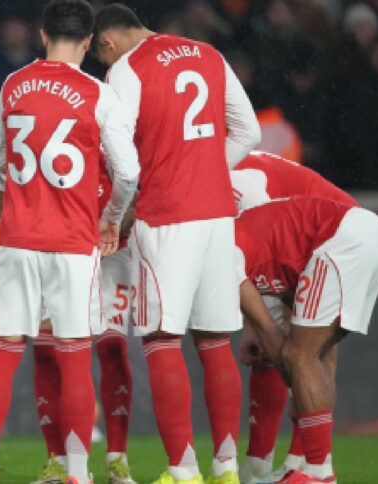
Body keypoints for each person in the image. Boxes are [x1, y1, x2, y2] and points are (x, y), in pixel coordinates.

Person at [92, 4, 261, 483]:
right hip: (217, 218)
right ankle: (226, 468)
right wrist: (206, 171)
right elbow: (248, 130)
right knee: (214, 342)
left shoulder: (126, 70)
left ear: (106, 42)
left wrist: (115, 217)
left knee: (162, 340)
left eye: (101, 57)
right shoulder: (209, 53)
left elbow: (123, 165)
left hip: (167, 216)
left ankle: (183, 471)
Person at [0, 2, 140, 483]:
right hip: (72, 242)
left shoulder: (14, 84)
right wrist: (110, 220)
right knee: (72, 355)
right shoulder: (98, 93)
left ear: (42, 35)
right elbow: (127, 172)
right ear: (89, 41)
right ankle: (78, 473)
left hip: (18, 239)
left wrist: (10, 209)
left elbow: (1, 162)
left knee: (4, 352)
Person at [236, 197, 378, 484]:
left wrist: (293, 374)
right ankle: (310, 464)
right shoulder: (241, 239)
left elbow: (271, 334)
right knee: (314, 355)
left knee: (299, 356)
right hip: (372, 236)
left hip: (344, 240)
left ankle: (319, 472)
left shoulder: (220, 255)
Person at [229, 151, 358, 484]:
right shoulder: (223, 167)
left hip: (332, 239)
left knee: (305, 352)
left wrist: (258, 323)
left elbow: (268, 240)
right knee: (283, 351)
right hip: (314, 236)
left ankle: (305, 465)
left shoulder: (234, 183)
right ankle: (267, 466)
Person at [31, 164, 138, 484]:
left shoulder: (121, 132)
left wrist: (108, 228)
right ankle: (57, 461)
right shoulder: (55, 140)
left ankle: (117, 460)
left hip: (115, 250)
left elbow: (137, 194)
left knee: (112, 346)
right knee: (47, 351)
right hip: (60, 252)